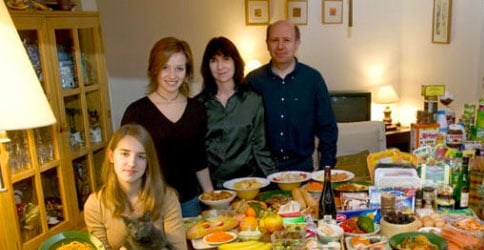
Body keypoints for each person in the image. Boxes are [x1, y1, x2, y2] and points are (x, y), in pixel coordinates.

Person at [121, 37, 213, 217]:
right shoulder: (136, 112)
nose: (172, 76)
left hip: (189, 203)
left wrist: (212, 197)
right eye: (165, 67)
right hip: (149, 204)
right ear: (154, 69)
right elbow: (125, 162)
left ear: (187, 73)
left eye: (179, 68)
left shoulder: (197, 109)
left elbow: (199, 158)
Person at [246, 20, 338, 172]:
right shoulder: (253, 81)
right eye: (275, 40)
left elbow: (328, 129)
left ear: (297, 44)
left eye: (287, 40)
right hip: (262, 171)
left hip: (302, 170)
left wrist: (325, 172)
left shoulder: (313, 80)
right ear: (267, 44)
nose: (280, 46)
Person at [196, 36, 275, 188]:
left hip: (247, 186)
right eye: (213, 60)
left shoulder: (253, 100)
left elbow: (260, 148)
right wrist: (209, 193)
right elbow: (196, 154)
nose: (220, 66)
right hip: (211, 189)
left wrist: (275, 183)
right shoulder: (198, 105)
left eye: (226, 59)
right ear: (207, 66)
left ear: (235, 62)